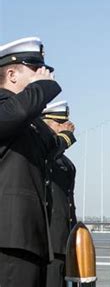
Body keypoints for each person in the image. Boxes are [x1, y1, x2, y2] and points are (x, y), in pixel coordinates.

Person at [0, 37, 61, 287]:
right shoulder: (8, 110)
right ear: (12, 74)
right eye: (36, 69)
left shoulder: (29, 121)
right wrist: (44, 88)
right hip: (8, 238)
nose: (44, 74)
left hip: (29, 238)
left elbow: (53, 145)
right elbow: (19, 112)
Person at [42, 101, 77, 287]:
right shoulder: (40, 153)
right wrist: (65, 138)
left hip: (64, 240)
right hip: (47, 243)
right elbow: (46, 157)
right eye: (58, 122)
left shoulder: (65, 162)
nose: (65, 127)